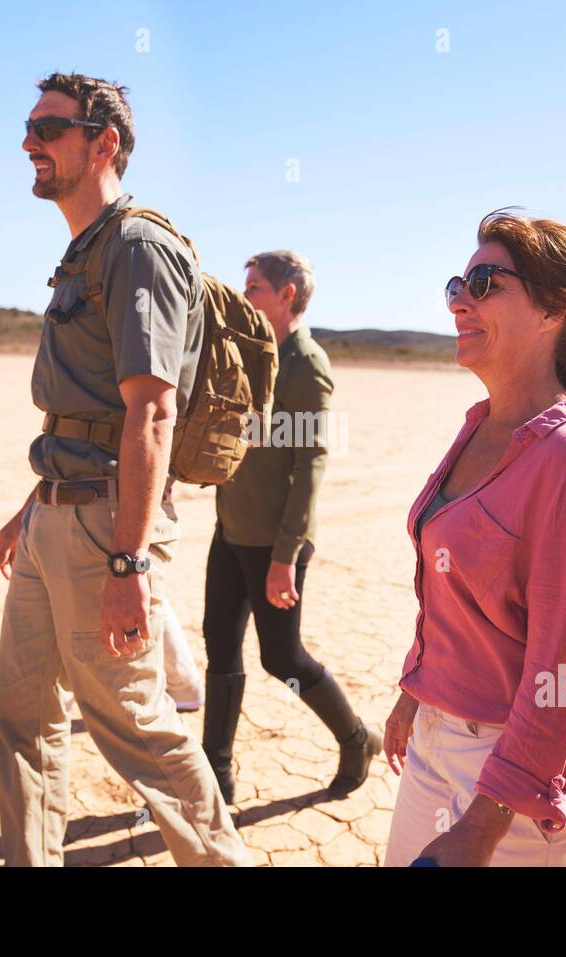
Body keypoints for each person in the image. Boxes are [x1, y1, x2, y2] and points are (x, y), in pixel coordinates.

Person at [0, 72, 248, 867]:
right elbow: (84, 407)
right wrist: (31, 505)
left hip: (105, 522)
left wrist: (128, 560)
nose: (29, 142)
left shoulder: (138, 246)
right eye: (28, 126)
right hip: (55, 510)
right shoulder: (84, 251)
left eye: (49, 129)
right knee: (21, 712)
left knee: (135, 725)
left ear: (105, 144)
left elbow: (151, 412)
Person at [382, 210, 566, 867]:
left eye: (486, 282)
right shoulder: (480, 426)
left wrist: (482, 827)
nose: (460, 301)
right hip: (437, 742)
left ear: (553, 309)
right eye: (457, 286)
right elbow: (452, 587)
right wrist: (416, 691)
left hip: (512, 779)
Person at [201, 250, 381, 803]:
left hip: (275, 542)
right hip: (231, 527)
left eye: (254, 287)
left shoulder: (306, 364)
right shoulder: (251, 352)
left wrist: (285, 555)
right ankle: (217, 773)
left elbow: (312, 465)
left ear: (287, 295)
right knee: (219, 643)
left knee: (282, 659)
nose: (245, 293)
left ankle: (355, 740)